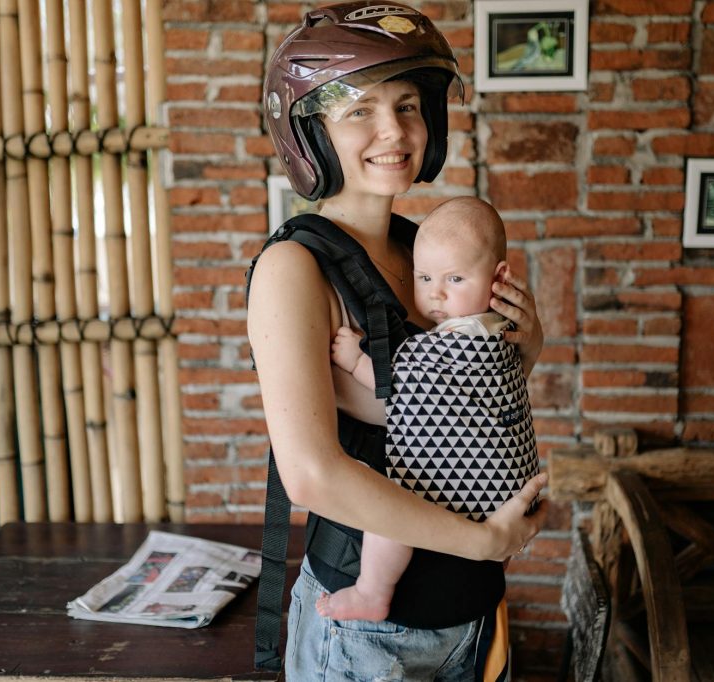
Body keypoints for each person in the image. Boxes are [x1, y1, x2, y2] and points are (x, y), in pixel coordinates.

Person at [248, 3, 548, 679]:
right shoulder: (294, 268)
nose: (394, 129)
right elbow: (312, 474)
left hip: (472, 614)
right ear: (311, 132)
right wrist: (483, 540)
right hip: (369, 639)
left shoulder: (429, 249)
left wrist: (526, 348)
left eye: (408, 105)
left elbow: (463, 410)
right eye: (360, 109)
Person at [317, 195, 540, 623]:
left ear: (498, 278)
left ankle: (371, 591)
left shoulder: (456, 343)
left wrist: (354, 359)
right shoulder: (504, 328)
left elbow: (399, 384)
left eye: (454, 278)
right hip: (508, 486)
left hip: (477, 487)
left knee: (390, 511)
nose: (436, 293)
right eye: (423, 277)